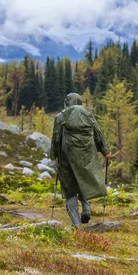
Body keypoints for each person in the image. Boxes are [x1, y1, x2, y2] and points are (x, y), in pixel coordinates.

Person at [50, 93, 111, 227]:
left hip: (67, 158)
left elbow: (56, 137)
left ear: (66, 102)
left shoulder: (61, 117)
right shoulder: (88, 114)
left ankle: (76, 225)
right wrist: (106, 150)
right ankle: (87, 210)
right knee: (84, 181)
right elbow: (98, 132)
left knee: (70, 189)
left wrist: (53, 155)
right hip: (86, 157)